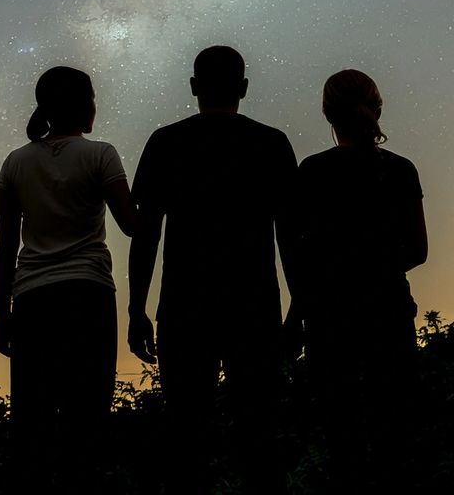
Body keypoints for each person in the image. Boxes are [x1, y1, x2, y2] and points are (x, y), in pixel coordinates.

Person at [127, 45, 298, 494]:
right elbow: (291, 238)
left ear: (192, 87)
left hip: (184, 308)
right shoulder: (271, 143)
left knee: (186, 438)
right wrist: (297, 311)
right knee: (259, 438)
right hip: (256, 307)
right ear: (243, 87)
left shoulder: (165, 142)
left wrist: (136, 308)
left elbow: (146, 235)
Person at [0, 66, 135, 492]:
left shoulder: (15, 163)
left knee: (33, 420)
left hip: (33, 299)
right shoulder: (100, 155)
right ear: (82, 105)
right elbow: (131, 224)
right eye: (92, 98)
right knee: (88, 416)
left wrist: (4, 314)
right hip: (87, 294)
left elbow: (6, 248)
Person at [287, 68, 428, 491]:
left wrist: (296, 319)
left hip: (330, 320)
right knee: (396, 436)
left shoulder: (311, 172)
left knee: (342, 441)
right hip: (389, 310)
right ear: (377, 107)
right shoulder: (401, 169)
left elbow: (302, 258)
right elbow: (418, 251)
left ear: (328, 115)